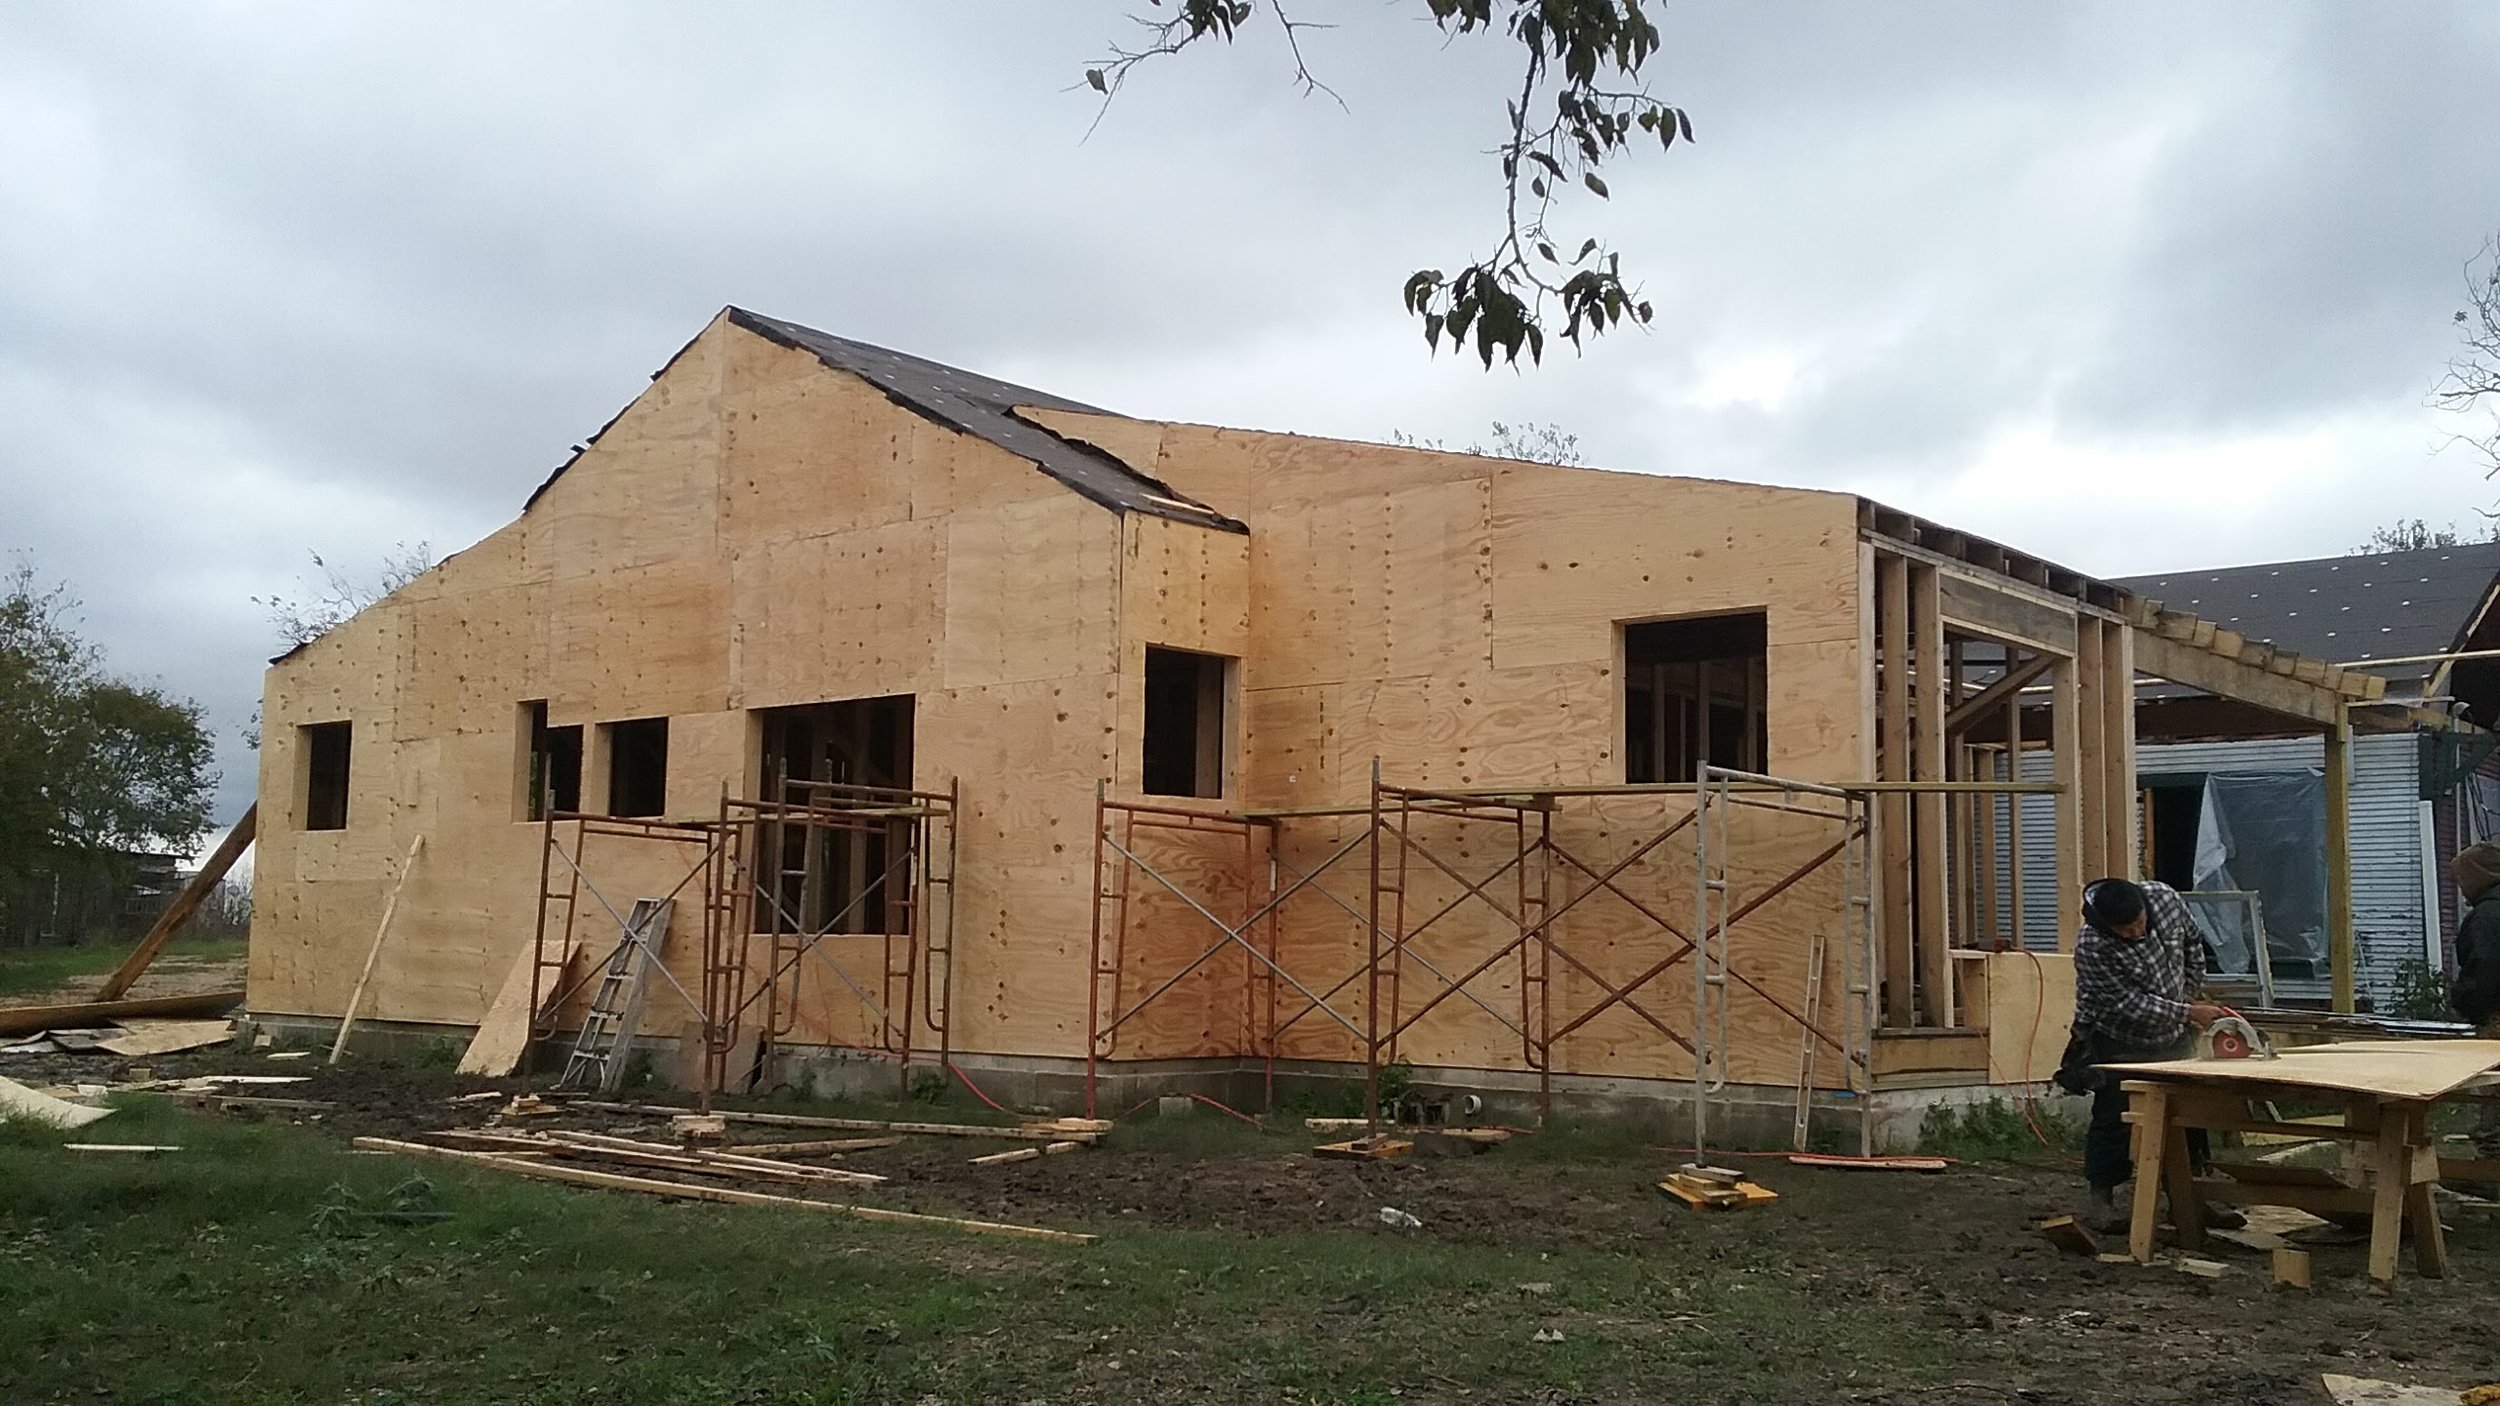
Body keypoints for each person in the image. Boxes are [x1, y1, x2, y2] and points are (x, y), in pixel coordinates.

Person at [2068, 877, 2234, 1232]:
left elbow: (2192, 942)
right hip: (2118, 1034)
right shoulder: (2091, 946)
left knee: (2189, 1113)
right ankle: (2102, 1200)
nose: (2135, 933)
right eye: (2125, 931)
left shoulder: (2165, 898)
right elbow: (2127, 1003)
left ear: (2145, 906)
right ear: (2107, 925)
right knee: (2115, 1114)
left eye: (2139, 924)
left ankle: (2188, 1201)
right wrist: (2188, 1012)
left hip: (2173, 1029)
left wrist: (2188, 995)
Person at [2449, 841, 2500, 1183]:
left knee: (2493, 1110)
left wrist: (2462, 1000)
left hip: (2497, 1020)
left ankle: (2493, 1178)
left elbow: (2485, 972)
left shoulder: (2487, 917)